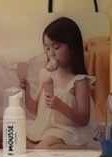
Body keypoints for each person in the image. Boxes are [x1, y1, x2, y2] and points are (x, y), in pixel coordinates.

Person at [17, 16, 98, 147]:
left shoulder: (79, 81)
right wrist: (26, 91)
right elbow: (35, 109)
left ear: (72, 48)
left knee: (49, 144)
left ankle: (34, 148)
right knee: (8, 131)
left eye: (56, 47)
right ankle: (34, 147)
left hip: (65, 132)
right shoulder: (45, 74)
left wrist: (60, 106)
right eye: (47, 48)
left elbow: (83, 119)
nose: (51, 53)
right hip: (41, 129)